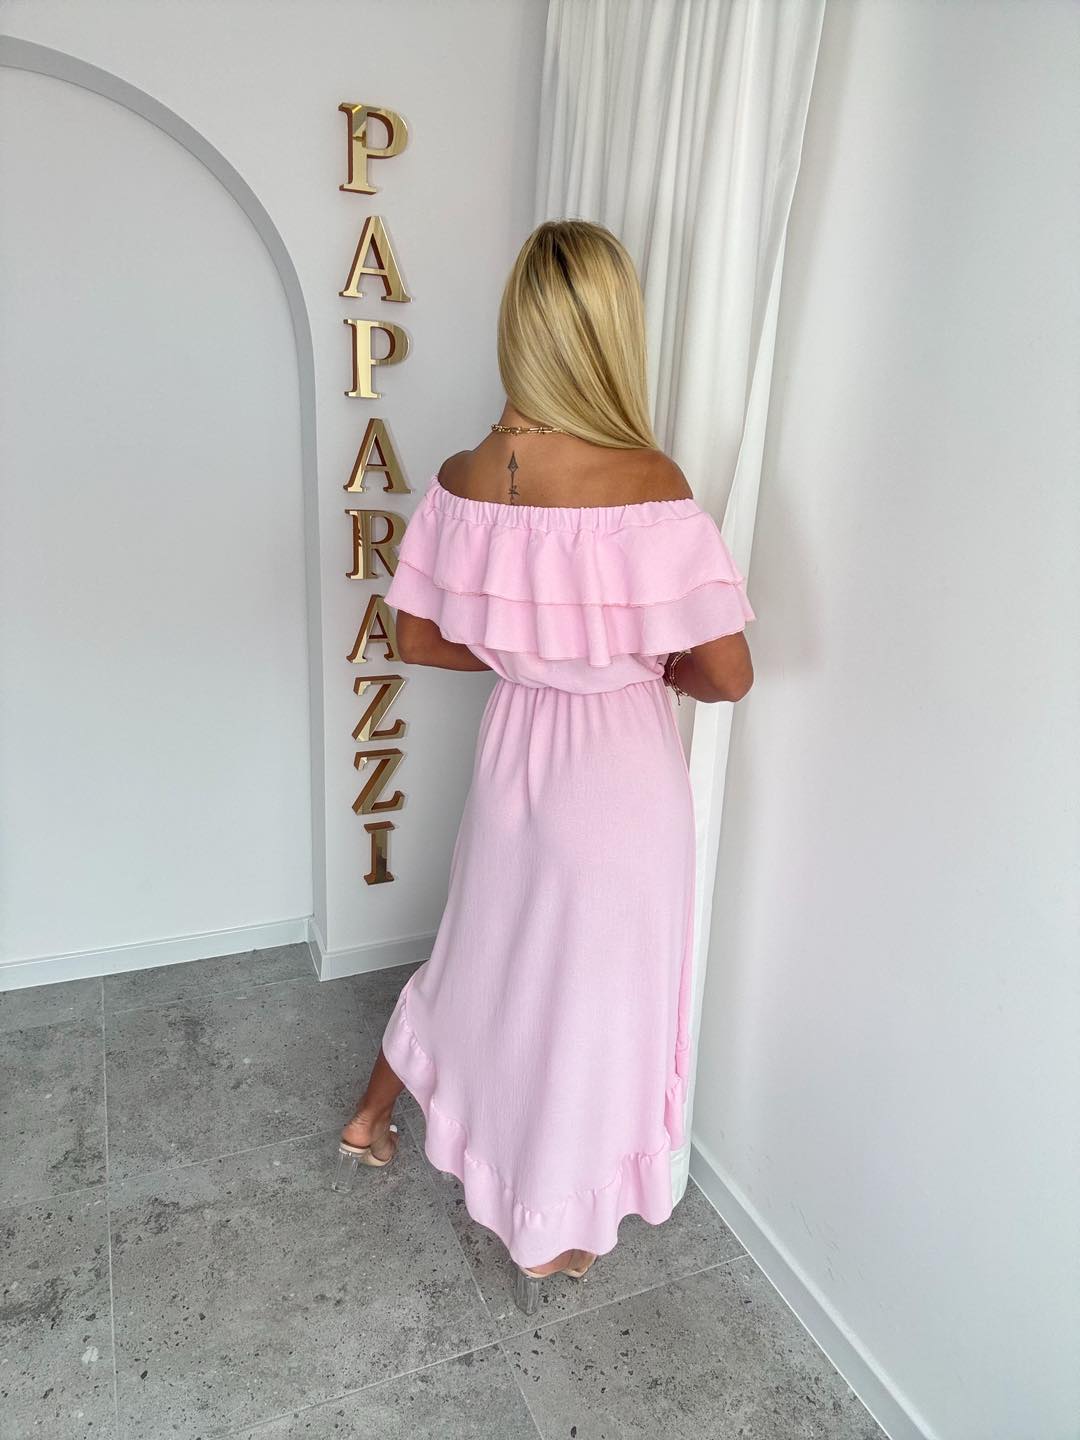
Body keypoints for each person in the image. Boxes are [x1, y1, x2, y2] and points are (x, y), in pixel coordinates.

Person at [335, 218, 755, 1315]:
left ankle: (371, 1116)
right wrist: (631, 665)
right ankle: (547, 1228)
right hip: (616, 776)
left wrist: (533, 656)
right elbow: (728, 674)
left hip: (513, 756)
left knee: (479, 959)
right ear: (611, 333)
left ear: (520, 328)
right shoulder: (647, 481)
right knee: (589, 1004)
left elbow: (418, 639)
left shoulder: (465, 475)